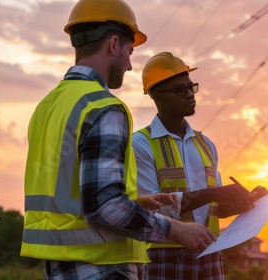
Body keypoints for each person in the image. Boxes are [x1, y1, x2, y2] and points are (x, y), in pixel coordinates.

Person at [21, 1, 215, 279]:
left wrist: (137, 202)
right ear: (113, 44)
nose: (130, 65)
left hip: (62, 269)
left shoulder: (48, 106)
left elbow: (76, 192)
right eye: (130, 51)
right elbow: (104, 207)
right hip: (101, 267)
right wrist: (177, 229)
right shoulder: (103, 107)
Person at [132, 52, 268, 279]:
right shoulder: (141, 144)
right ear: (157, 96)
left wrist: (248, 202)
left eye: (191, 87)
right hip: (165, 256)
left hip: (210, 255)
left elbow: (214, 209)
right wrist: (216, 192)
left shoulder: (206, 145)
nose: (189, 94)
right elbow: (152, 207)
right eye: (180, 89)